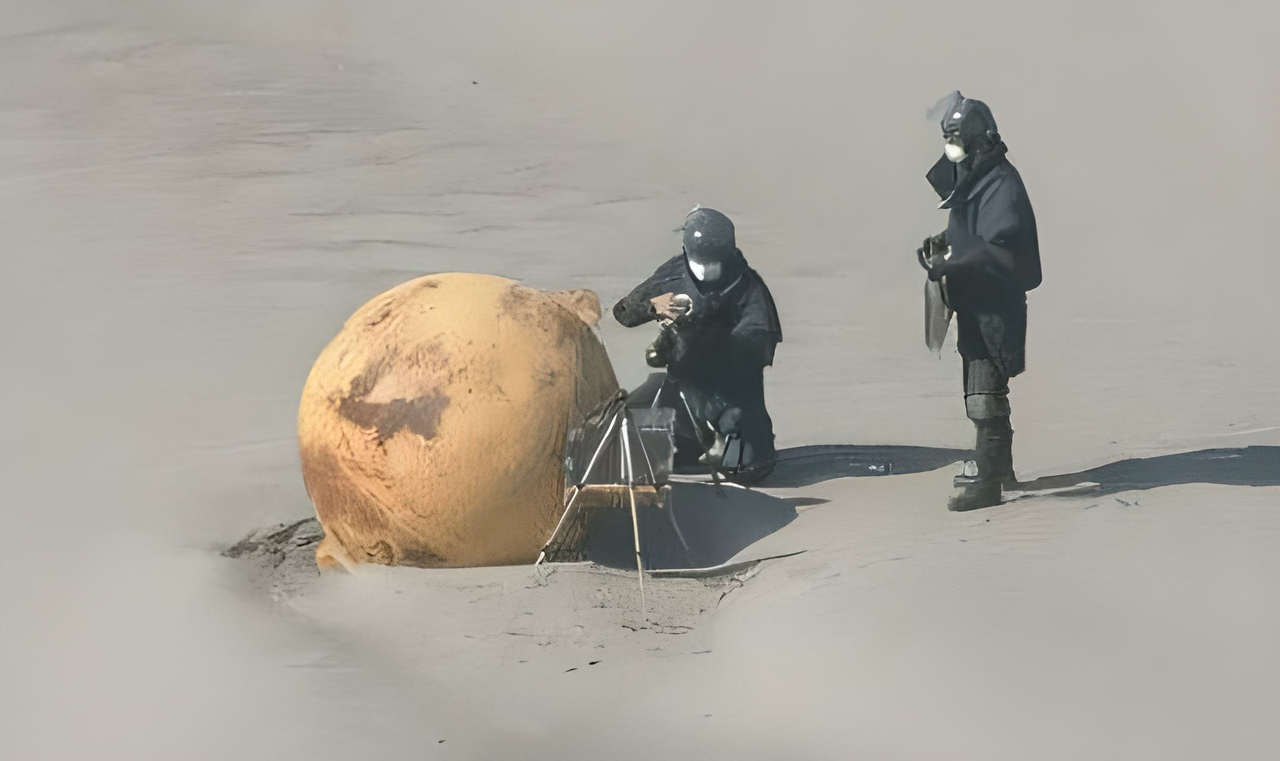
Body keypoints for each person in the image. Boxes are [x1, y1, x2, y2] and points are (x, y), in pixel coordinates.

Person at [918, 91, 1042, 511]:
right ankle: (999, 467)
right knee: (983, 386)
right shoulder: (979, 176)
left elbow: (999, 246)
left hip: (995, 307)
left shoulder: (1000, 184)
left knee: (984, 394)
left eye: (955, 138)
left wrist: (952, 262)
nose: (950, 147)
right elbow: (970, 232)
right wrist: (944, 246)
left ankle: (988, 481)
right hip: (977, 303)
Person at [613, 207, 782, 483]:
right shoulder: (673, 274)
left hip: (732, 391)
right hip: (683, 383)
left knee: (746, 469)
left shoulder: (749, 289)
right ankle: (691, 439)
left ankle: (746, 445)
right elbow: (623, 313)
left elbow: (760, 347)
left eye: (713, 262)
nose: (705, 270)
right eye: (698, 261)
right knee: (653, 441)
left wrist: (708, 335)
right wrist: (653, 307)